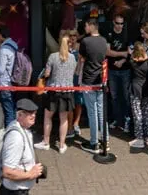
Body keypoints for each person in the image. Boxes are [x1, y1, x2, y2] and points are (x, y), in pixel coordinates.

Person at [36, 31, 76, 152]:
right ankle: (62, 145)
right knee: (64, 119)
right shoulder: (73, 57)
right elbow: (74, 73)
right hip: (67, 91)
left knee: (48, 117)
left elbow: (47, 74)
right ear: (69, 44)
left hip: (53, 90)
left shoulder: (53, 57)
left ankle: (46, 142)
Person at [76, 17, 108, 154]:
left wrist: (77, 73)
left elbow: (81, 58)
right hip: (101, 80)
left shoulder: (85, 41)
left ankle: (94, 143)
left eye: (85, 25)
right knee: (101, 112)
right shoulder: (103, 41)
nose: (84, 28)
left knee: (92, 112)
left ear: (91, 26)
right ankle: (105, 140)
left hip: (88, 81)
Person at [0, 98, 44, 194]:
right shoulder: (16, 137)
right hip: (15, 191)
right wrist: (30, 174)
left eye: (34, 113)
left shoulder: (22, 127)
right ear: (19, 115)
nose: (33, 116)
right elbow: (7, 172)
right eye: (29, 113)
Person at [127, 41, 148, 152]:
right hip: (146, 91)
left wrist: (130, 52)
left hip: (135, 90)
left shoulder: (132, 62)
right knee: (146, 114)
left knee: (137, 114)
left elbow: (132, 57)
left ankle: (139, 138)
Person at [104, 14, 131, 136]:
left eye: (122, 23)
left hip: (125, 69)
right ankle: (116, 119)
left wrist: (122, 60)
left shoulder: (127, 33)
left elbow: (131, 52)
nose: (120, 26)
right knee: (114, 96)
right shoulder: (109, 34)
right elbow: (107, 51)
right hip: (112, 69)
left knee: (126, 95)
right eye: (118, 23)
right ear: (113, 23)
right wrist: (123, 53)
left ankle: (127, 119)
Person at [0, 24, 18, 130]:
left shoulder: (4, 49)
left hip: (5, 84)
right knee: (12, 110)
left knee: (8, 113)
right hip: (14, 82)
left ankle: (10, 136)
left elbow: (1, 70)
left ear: (1, 35)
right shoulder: (14, 45)